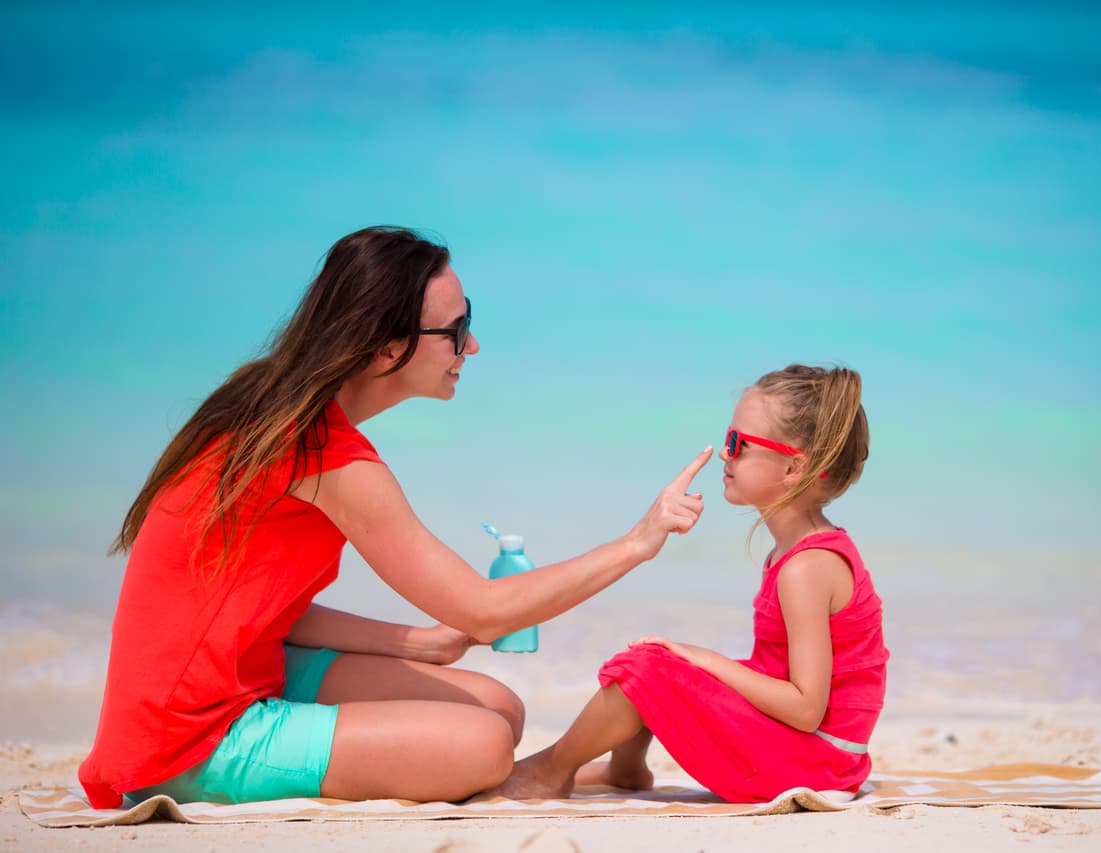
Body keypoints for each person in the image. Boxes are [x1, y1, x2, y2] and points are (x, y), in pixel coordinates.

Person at [78, 226, 714, 809]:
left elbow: (258, 604)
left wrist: (418, 644)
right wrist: (638, 542)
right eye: (456, 330)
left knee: (501, 708)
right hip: (187, 737)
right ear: (386, 348)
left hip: (237, 672)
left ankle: (547, 765)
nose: (474, 345)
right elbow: (484, 611)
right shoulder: (323, 454)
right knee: (483, 745)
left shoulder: (266, 398)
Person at [492, 364, 887, 803]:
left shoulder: (807, 566)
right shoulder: (794, 552)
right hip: (817, 754)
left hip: (818, 764)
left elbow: (805, 708)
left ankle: (550, 771)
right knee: (657, 661)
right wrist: (689, 661)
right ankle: (625, 771)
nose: (724, 453)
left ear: (794, 468)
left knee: (651, 669)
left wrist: (704, 660)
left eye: (739, 443)